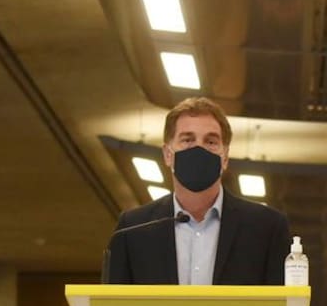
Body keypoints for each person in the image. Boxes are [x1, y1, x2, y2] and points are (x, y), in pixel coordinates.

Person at [105, 96, 292, 290]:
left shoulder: (266, 228)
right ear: (168, 154)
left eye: (211, 142)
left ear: (225, 157)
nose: (199, 149)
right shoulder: (133, 229)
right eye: (187, 140)